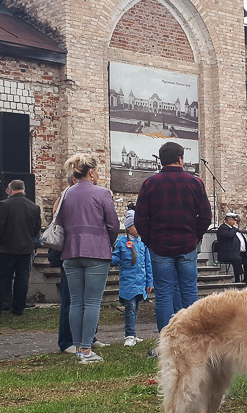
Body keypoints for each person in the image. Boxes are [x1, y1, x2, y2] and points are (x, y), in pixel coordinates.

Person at [135, 142, 211, 334]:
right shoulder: (195, 183)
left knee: (163, 296)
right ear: (180, 159)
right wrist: (195, 237)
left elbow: (140, 218)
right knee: (189, 294)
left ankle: (166, 340)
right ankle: (192, 337)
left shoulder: (150, 184)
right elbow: (205, 216)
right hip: (187, 246)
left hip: (160, 248)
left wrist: (149, 241)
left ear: (161, 160)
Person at [58, 154, 120, 364]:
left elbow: (59, 221)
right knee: (92, 302)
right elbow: (113, 224)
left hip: (70, 251)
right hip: (96, 251)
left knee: (76, 302)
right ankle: (86, 349)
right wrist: (108, 242)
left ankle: (77, 348)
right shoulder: (102, 193)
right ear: (91, 172)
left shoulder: (66, 194)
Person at [0, 179, 42, 317]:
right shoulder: (34, 207)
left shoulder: (4, 205)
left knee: (1, 278)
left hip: (6, 247)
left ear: (10, 190)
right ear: (24, 190)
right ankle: (18, 308)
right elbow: (37, 228)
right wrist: (30, 240)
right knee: (22, 278)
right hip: (25, 248)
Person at [113, 210, 154, 347]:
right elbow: (116, 258)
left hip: (140, 282)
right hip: (128, 282)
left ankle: (134, 334)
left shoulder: (143, 244)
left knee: (135, 307)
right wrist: (108, 256)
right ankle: (129, 334)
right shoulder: (121, 241)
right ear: (128, 227)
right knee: (129, 307)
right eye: (136, 225)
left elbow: (148, 264)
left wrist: (149, 281)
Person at [215, 212, 247, 284]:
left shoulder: (233, 229)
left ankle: (246, 278)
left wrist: (244, 250)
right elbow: (229, 235)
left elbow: (239, 241)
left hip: (236, 252)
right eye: (234, 221)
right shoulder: (223, 228)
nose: (236, 223)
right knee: (237, 259)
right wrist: (235, 228)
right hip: (227, 253)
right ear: (229, 220)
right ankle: (237, 279)